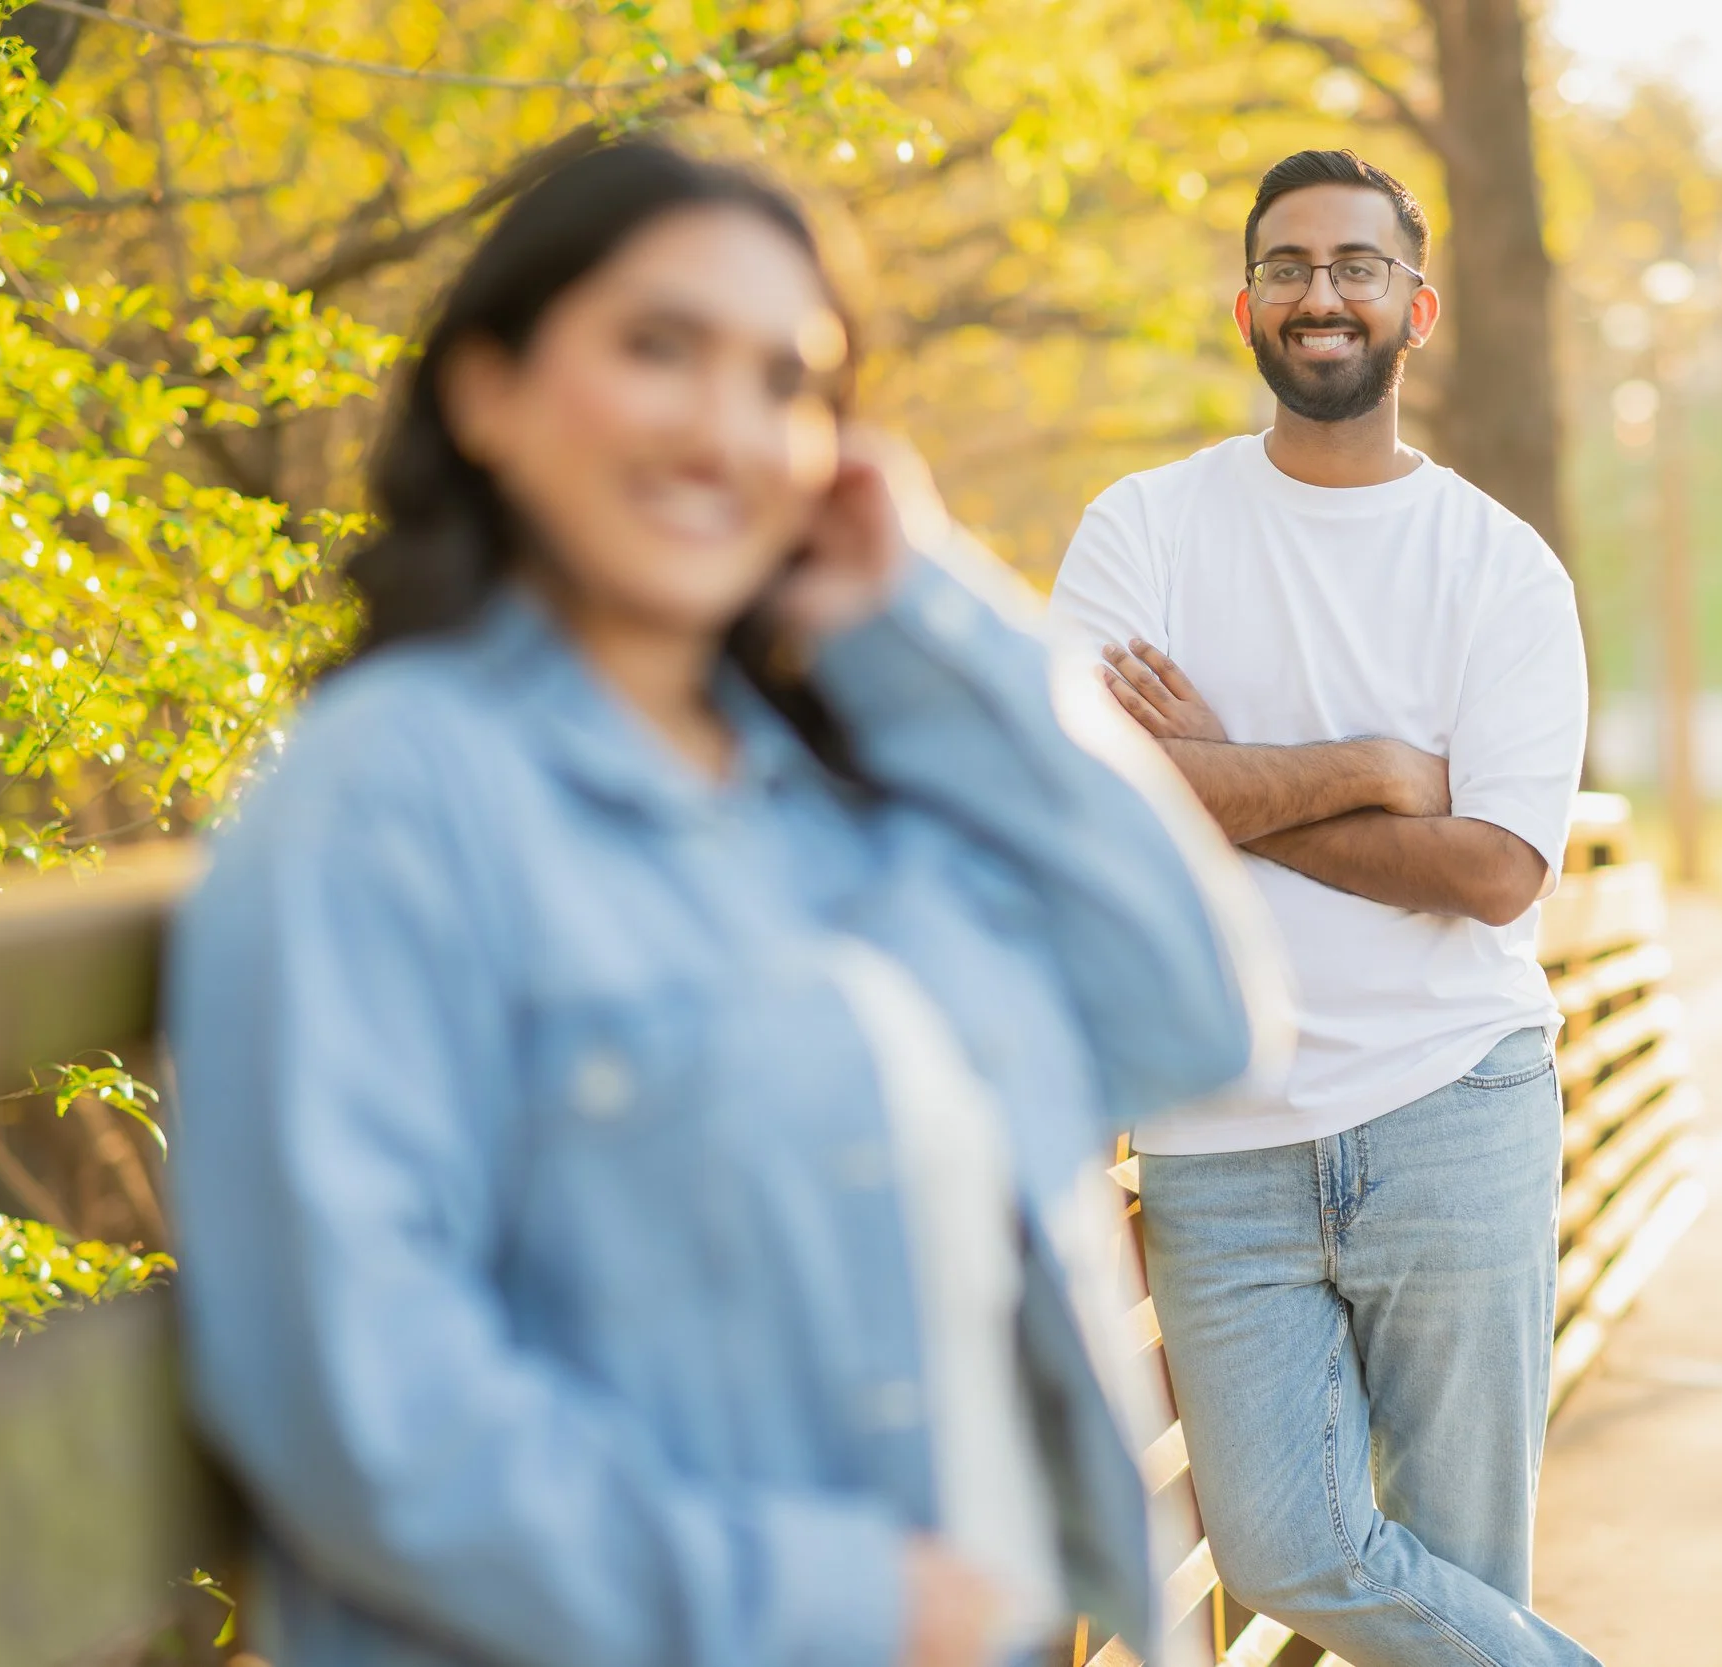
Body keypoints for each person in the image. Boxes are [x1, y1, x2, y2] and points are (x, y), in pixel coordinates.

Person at [166, 139, 1273, 1667]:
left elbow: (1199, 1012)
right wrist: (834, 1604)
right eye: (656, 348)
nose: (724, 431)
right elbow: (363, 1395)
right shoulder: (388, 796)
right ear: (485, 388)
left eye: (788, 385)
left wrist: (923, 602)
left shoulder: (844, 792)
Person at [1047, 149, 1598, 1667]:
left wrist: (1212, 787)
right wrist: (1368, 770)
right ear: (1245, 307)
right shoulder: (1144, 527)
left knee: (1463, 1574)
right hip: (1218, 1126)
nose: (1320, 293)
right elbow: (1088, 797)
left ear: (1416, 310)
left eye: (1356, 266)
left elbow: (1496, 869)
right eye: (1287, 266)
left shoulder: (1500, 569)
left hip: (1454, 1103)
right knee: (1288, 1543)